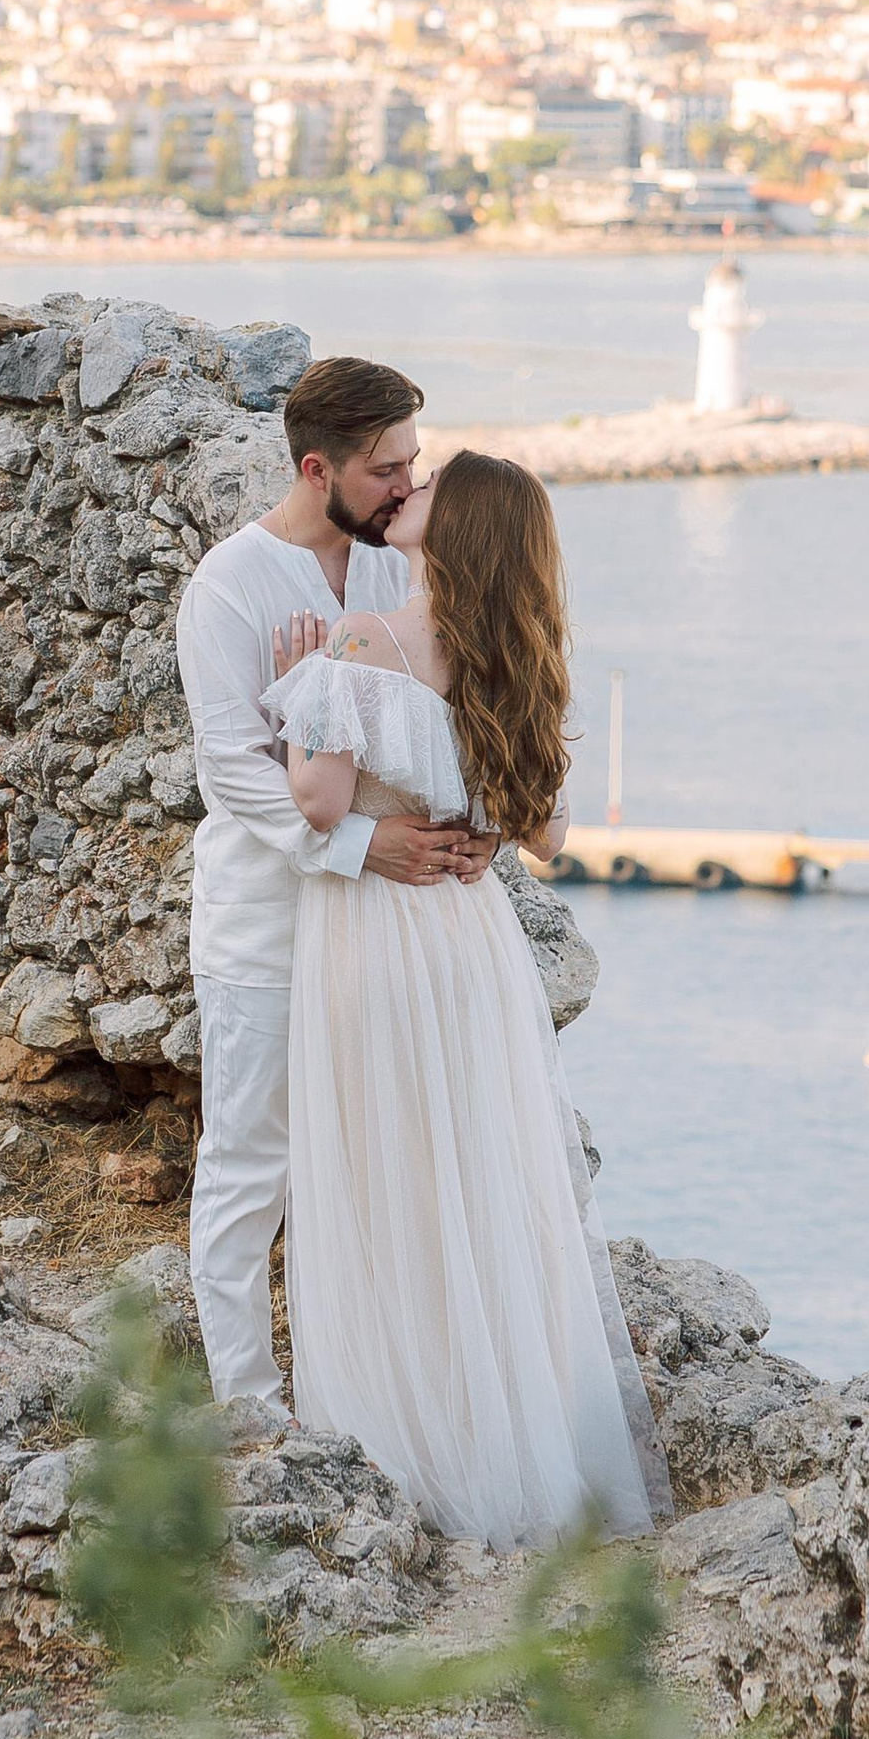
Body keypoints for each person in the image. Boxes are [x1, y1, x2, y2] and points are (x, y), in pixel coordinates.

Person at [263, 449, 670, 1548]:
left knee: (387, 1179)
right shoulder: (513, 664)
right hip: (474, 948)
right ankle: (506, 1446)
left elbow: (319, 802)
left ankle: (412, 1450)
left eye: (430, 483)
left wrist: (300, 694)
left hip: (380, 936)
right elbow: (549, 833)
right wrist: (481, 818)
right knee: (479, 1181)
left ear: (462, 529)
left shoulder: (360, 642)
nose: (409, 488)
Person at [173, 355, 498, 1407]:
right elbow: (232, 770)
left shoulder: (396, 566)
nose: (407, 488)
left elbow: (446, 713)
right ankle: (245, 1401)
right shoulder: (229, 586)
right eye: (385, 470)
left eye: (413, 463)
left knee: (381, 1158)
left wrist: (480, 827)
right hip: (269, 925)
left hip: (379, 936)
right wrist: (362, 845)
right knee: (251, 1159)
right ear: (317, 468)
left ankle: (374, 1394)